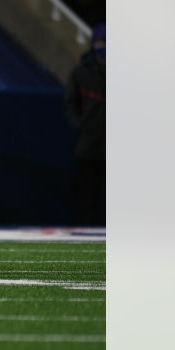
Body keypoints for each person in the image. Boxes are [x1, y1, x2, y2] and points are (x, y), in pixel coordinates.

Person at [65, 22, 105, 225]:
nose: (104, 46)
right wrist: (82, 126)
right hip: (88, 144)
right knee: (85, 195)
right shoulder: (82, 72)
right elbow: (70, 103)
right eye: (101, 41)